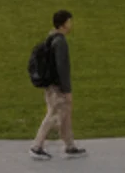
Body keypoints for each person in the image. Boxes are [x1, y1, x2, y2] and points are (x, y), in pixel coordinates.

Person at [28, 9, 84, 160]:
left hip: (50, 85)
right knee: (54, 115)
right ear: (63, 24)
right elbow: (62, 68)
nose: (71, 24)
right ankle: (37, 146)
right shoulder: (60, 42)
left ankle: (70, 146)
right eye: (69, 21)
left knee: (65, 115)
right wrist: (67, 91)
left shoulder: (51, 38)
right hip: (57, 87)